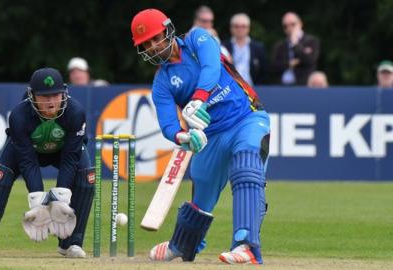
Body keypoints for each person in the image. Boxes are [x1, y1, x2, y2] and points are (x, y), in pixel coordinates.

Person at [131, 9, 270, 265]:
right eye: (146, 44)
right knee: (201, 195)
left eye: (155, 38)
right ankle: (182, 245)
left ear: (167, 30)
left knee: (246, 166)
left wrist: (198, 99)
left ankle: (246, 245)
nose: (153, 47)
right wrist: (183, 137)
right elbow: (168, 124)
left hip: (247, 117)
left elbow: (212, 67)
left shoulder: (197, 40)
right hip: (211, 136)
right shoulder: (162, 82)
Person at [0, 67, 95, 259]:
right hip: (27, 152)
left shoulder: (75, 113)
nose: (51, 102)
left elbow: (70, 158)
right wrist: (38, 202)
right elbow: (27, 161)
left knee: (87, 177)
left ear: (64, 93)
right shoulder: (19, 116)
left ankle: (71, 244)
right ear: (32, 95)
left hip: (63, 153)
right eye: (44, 96)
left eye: (55, 95)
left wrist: (60, 199)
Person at [271, 12, 320, 85]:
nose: (289, 28)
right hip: (282, 86)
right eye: (285, 26)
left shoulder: (311, 41)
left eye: (293, 24)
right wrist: (290, 63)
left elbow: (309, 61)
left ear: (300, 24)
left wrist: (295, 44)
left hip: (303, 85)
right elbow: (274, 67)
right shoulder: (280, 45)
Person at [222, 13, 268, 85]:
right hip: (230, 90)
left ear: (248, 28)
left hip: (253, 89)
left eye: (243, 26)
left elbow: (264, 71)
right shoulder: (223, 47)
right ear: (231, 28)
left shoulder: (258, 47)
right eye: (236, 26)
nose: (240, 29)